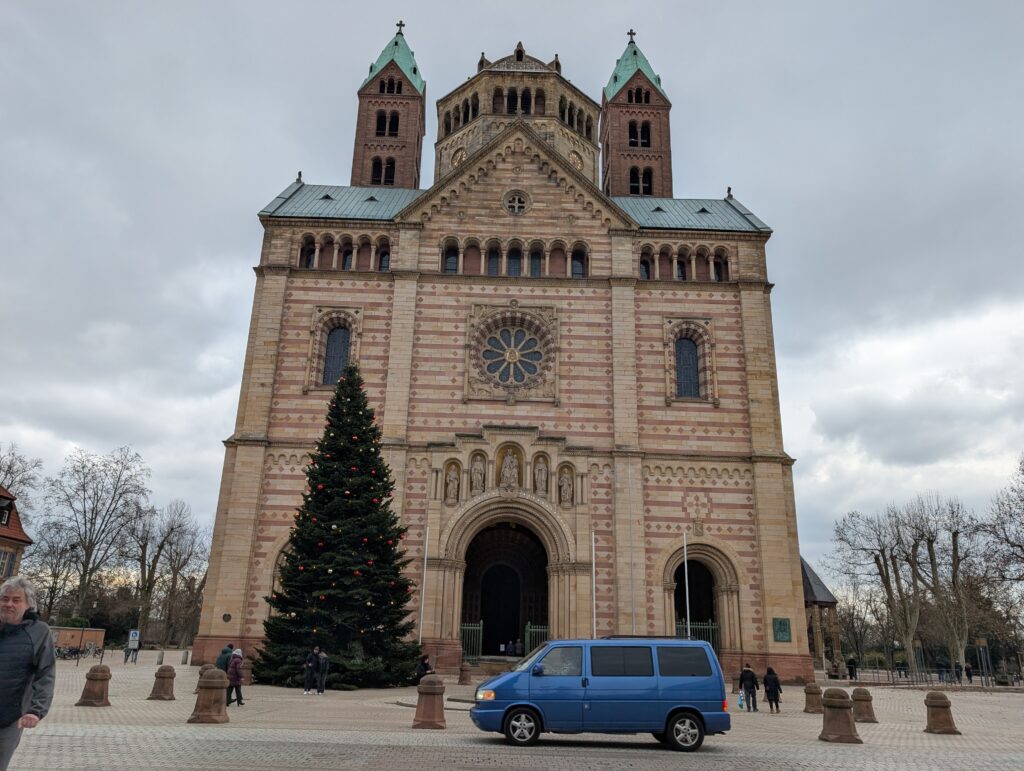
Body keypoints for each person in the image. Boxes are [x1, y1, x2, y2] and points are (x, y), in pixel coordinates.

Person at [1, 577, 57, 771]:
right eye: (5, 599)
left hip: (9, 717)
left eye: (16, 600)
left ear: (28, 605)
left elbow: (46, 673)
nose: (9, 604)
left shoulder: (39, 632)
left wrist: (36, 710)